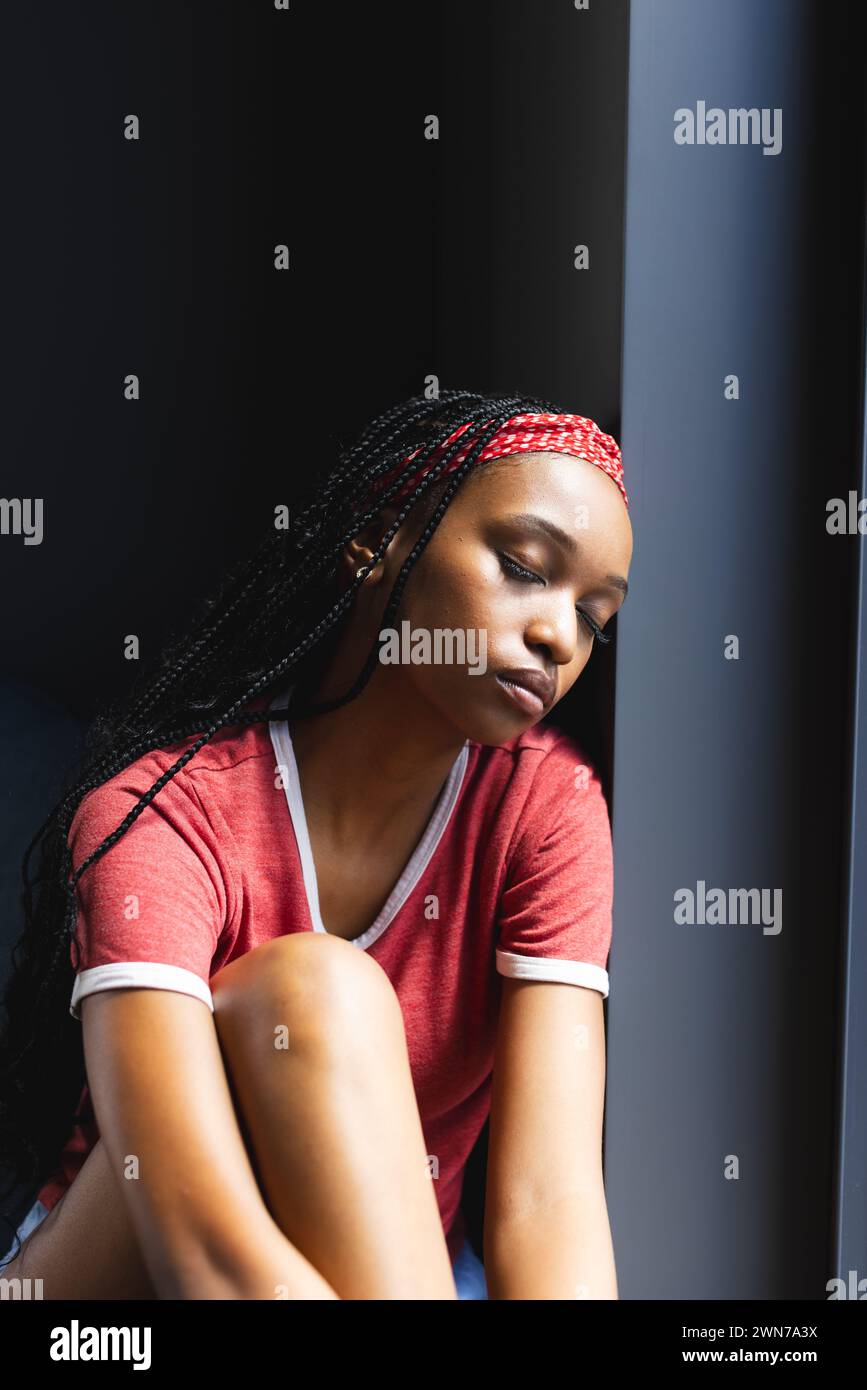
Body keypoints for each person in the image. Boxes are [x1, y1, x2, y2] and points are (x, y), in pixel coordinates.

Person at [0, 387, 633, 1299]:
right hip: (119, 1291)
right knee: (312, 991)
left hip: (389, 1279)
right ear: (377, 541)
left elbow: (547, 1199)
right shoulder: (161, 813)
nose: (555, 635)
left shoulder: (549, 806)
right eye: (525, 567)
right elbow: (202, 1251)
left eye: (594, 618)